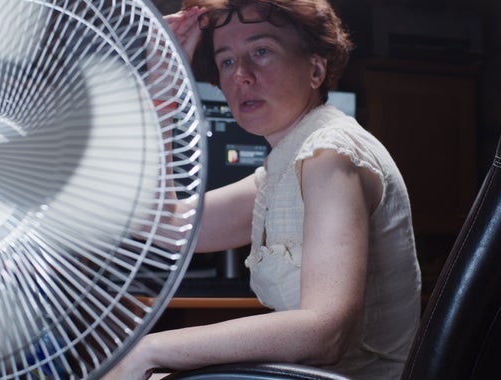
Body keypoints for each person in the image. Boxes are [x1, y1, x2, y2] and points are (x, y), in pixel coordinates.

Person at [105, 1, 421, 378]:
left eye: (261, 51)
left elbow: (326, 332)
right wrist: (163, 87)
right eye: (226, 61)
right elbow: (162, 225)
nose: (241, 75)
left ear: (316, 69)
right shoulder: (285, 166)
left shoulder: (330, 154)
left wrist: (151, 348)